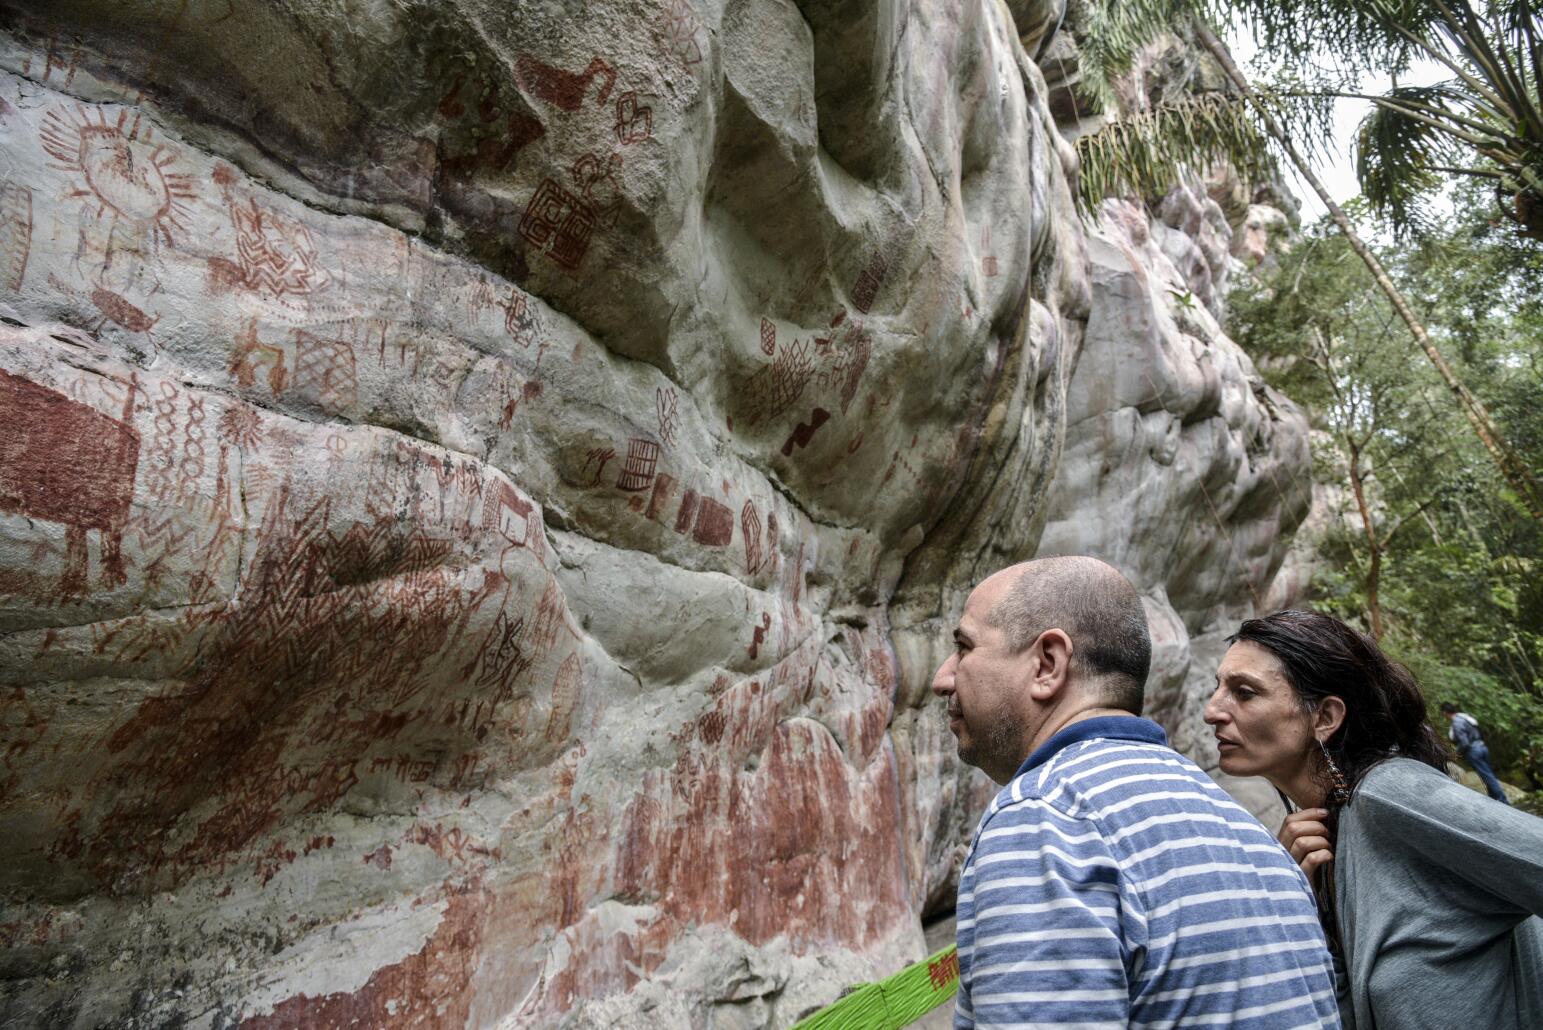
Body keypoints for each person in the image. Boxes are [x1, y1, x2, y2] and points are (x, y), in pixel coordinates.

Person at [933, 557, 1338, 1029]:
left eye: (964, 647)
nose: (944, 677)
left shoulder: (1046, 820)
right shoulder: (1247, 832)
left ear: (1048, 664)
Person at [1204, 608, 1543, 1030]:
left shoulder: (1388, 794)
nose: (1212, 710)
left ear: (1324, 718)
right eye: (1216, 688)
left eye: (1245, 692)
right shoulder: (1329, 835)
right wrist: (1299, 904)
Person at [1440, 701, 1510, 803]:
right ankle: (1495, 799)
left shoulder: (1456, 723)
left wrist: (1456, 753)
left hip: (1474, 752)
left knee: (1487, 776)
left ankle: (1503, 801)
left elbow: (1464, 743)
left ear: (1445, 713)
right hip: (1482, 747)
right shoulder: (1465, 718)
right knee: (1489, 774)